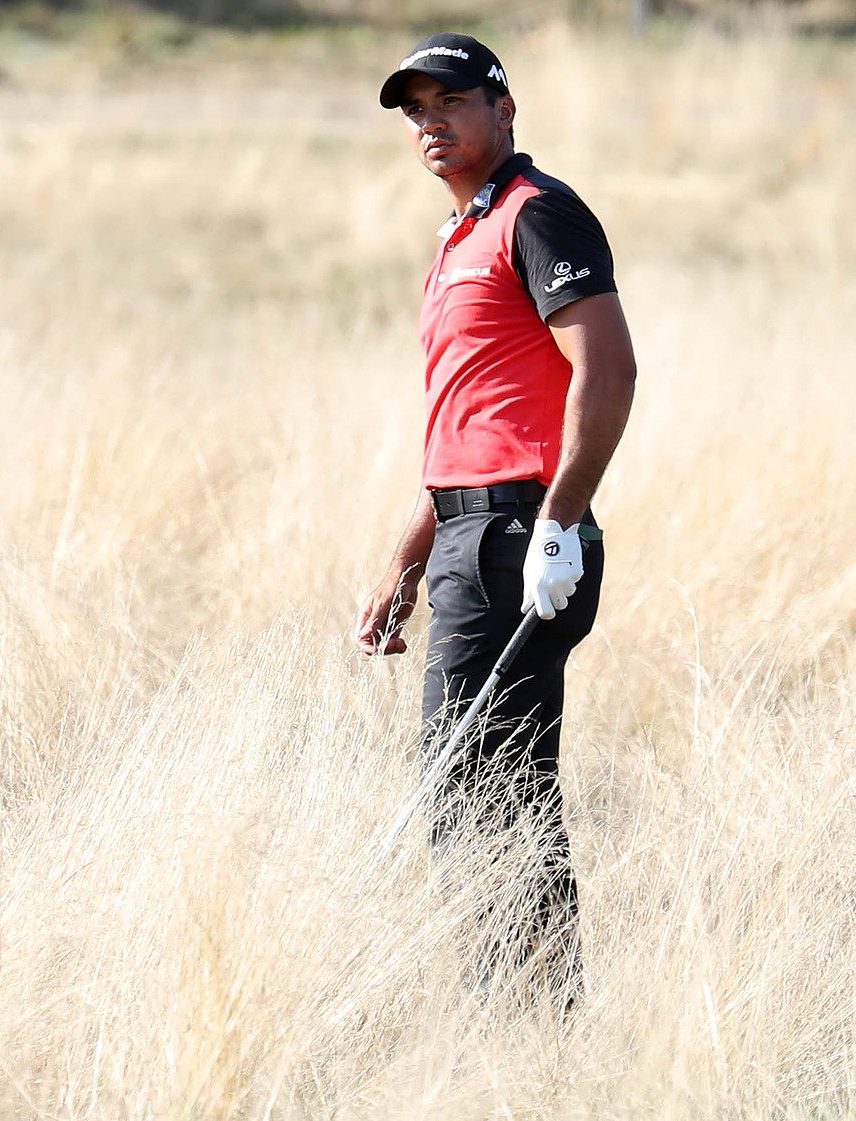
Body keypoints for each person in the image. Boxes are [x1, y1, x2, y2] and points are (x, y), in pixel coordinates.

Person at [353, 33, 637, 1001]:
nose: (430, 122)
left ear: (502, 110)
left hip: (524, 539)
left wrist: (561, 519)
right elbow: (468, 430)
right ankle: (524, 1014)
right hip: (471, 536)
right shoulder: (458, 238)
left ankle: (520, 1019)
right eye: (415, 109)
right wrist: (402, 565)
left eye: (451, 101)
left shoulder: (536, 214)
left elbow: (608, 371)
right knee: (484, 783)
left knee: (477, 784)